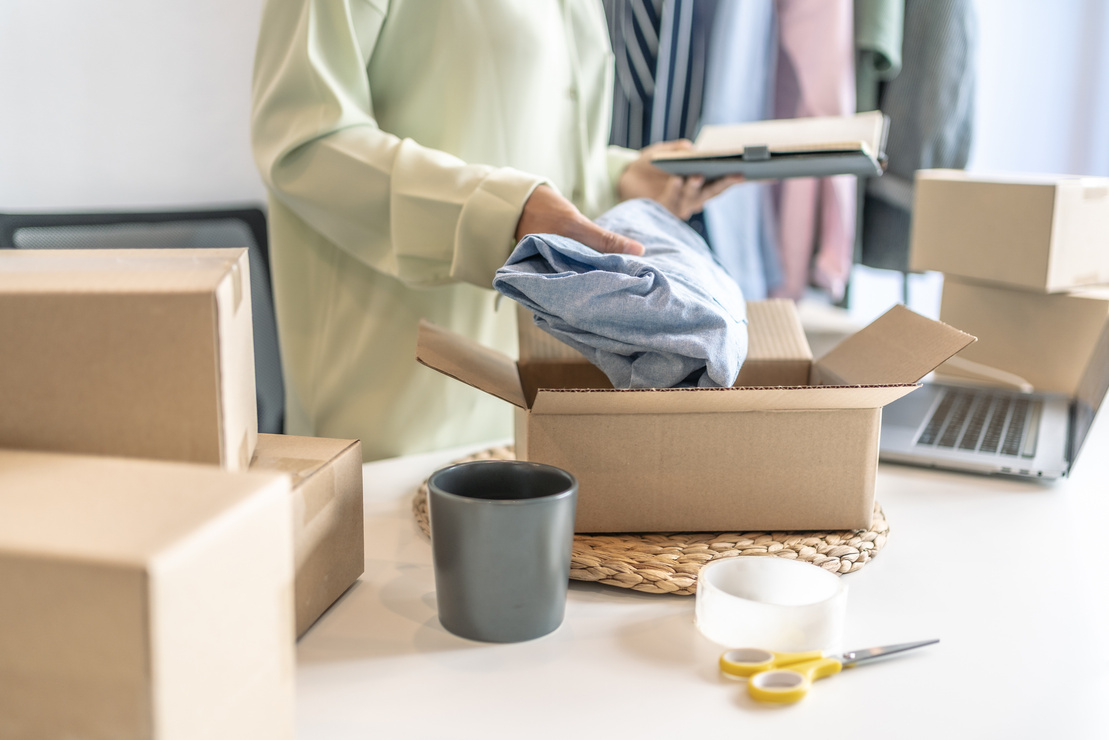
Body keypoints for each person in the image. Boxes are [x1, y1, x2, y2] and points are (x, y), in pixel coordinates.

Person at [250, 0, 739, 461]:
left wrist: (615, 179)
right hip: (392, 417)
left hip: (523, 406)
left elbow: (524, 136)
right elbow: (302, 142)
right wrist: (506, 213)